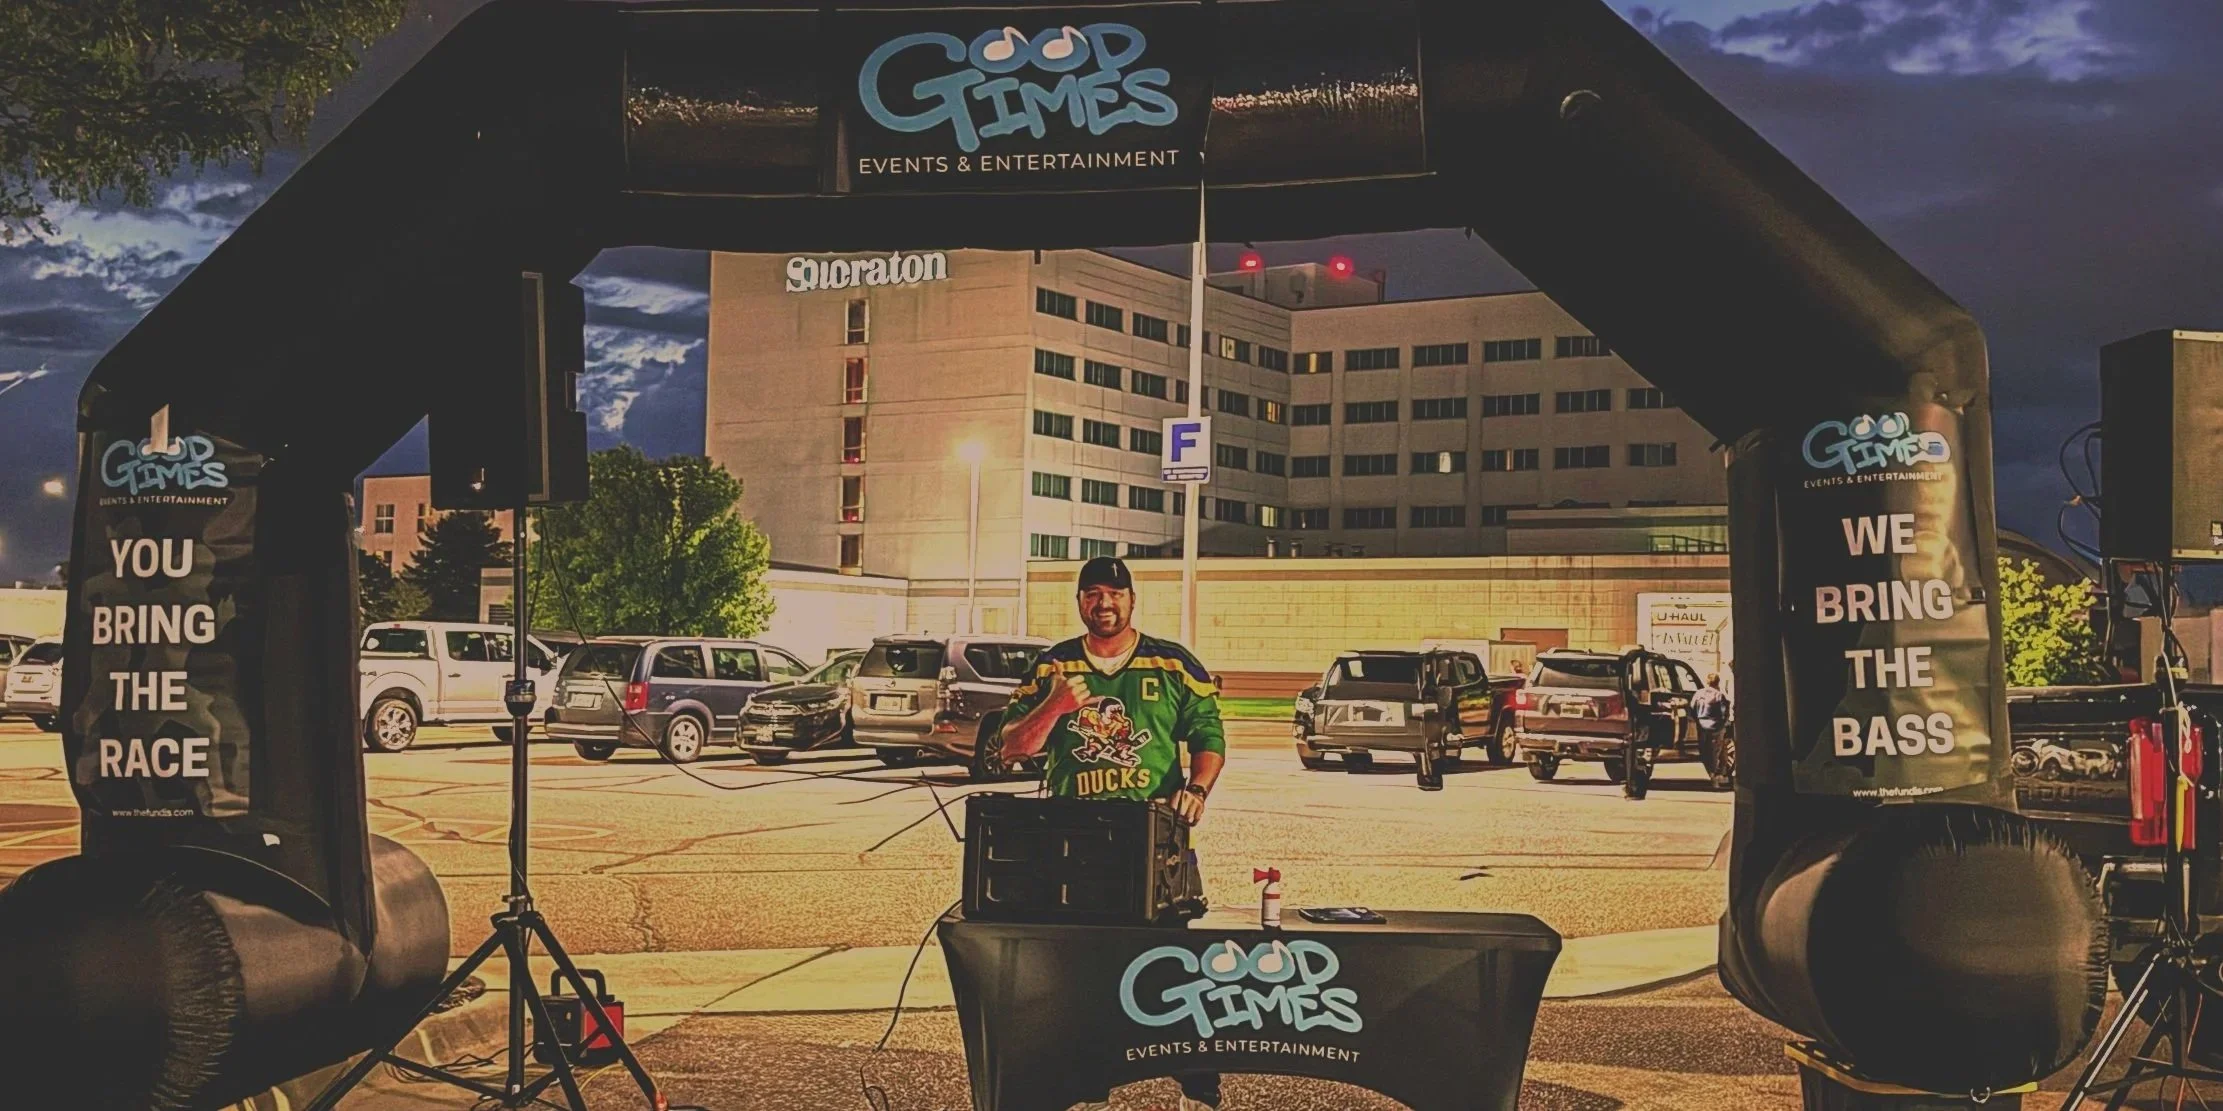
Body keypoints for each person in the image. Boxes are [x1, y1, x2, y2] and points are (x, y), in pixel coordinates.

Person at [998, 555, 1226, 1111]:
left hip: (1155, 842)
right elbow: (1012, 748)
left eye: (1115, 594)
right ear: (1079, 601)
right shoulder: (1052, 666)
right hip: (1072, 846)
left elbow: (1209, 736)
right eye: (1093, 593)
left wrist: (1196, 790)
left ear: (1132, 600)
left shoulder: (1172, 664)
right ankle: (1087, 1082)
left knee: (1174, 962)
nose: (1104, 603)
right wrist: (1054, 707)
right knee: (1079, 970)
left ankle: (1197, 1086)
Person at [1691, 672, 1733, 790]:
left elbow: (1692, 708)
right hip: (1716, 727)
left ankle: (1711, 774)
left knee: (1704, 750)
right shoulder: (1719, 695)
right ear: (1718, 682)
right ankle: (1714, 778)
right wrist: (1723, 724)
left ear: (1707, 682)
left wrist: (1698, 720)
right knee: (1715, 751)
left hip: (1702, 726)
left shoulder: (1698, 694)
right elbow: (1725, 713)